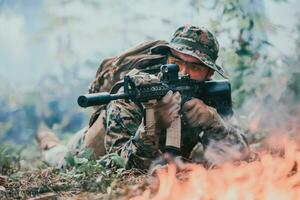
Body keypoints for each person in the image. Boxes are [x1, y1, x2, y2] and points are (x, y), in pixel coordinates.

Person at [36, 25, 249, 170]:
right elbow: (118, 165)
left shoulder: (209, 96)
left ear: (209, 73)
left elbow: (240, 154)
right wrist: (151, 124)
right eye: (177, 61)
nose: (183, 72)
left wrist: (214, 123)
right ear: (167, 57)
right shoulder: (136, 92)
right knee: (57, 155)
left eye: (194, 67)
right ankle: (47, 139)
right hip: (84, 152)